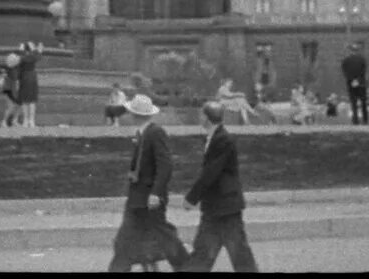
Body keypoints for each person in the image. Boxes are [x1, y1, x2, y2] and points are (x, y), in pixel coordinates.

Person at [107, 94, 190, 272]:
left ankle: (187, 266)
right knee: (127, 238)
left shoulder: (155, 133)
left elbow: (165, 165)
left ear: (135, 115)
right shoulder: (142, 133)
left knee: (162, 235)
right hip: (138, 198)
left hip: (148, 198)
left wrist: (156, 193)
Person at [182, 102, 259, 272]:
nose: (199, 117)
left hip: (226, 206)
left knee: (239, 254)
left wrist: (191, 198)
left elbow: (211, 172)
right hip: (216, 207)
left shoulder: (223, 139)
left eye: (201, 114)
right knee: (203, 253)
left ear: (207, 118)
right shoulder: (214, 138)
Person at [340, 44, 368, 125]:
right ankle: (365, 119)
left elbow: (344, 71)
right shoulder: (362, 59)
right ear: (357, 50)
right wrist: (358, 80)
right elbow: (364, 71)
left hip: (351, 83)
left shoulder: (346, 60)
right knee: (363, 102)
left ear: (350, 51)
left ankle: (355, 120)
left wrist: (352, 80)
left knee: (353, 101)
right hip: (361, 83)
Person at [16, 41, 43, 128]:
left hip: (23, 78)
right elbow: (38, 56)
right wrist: (35, 49)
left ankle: (25, 120)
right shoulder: (32, 56)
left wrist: (20, 50)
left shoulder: (21, 57)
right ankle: (31, 121)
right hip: (32, 77)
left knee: (24, 101)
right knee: (32, 101)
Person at [0, 53, 22, 128]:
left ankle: (14, 121)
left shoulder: (17, 67)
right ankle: (3, 122)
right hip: (8, 89)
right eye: (14, 60)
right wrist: (2, 72)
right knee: (11, 107)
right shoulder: (7, 67)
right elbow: (0, 67)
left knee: (19, 105)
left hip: (16, 89)